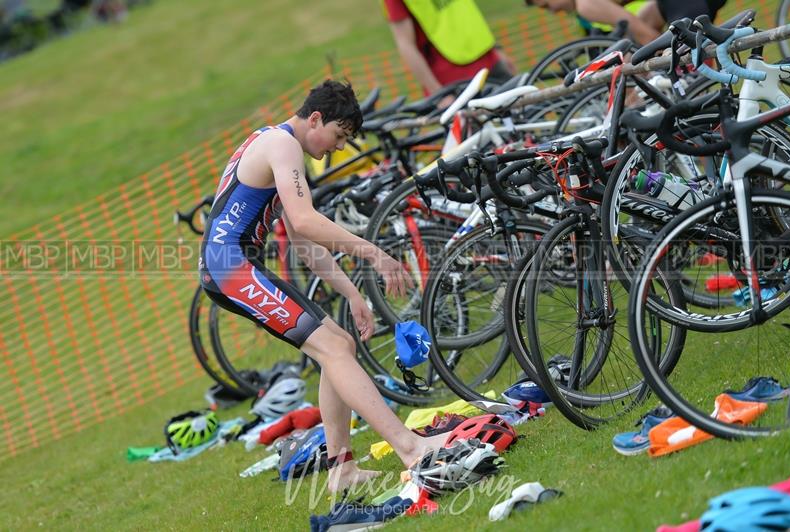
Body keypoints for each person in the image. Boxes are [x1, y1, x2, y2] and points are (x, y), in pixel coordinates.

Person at [199, 80, 451, 492]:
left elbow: (304, 242)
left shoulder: (281, 148)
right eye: (339, 136)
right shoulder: (283, 146)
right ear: (315, 118)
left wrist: (352, 295)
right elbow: (304, 220)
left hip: (234, 266)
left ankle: (342, 470)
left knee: (339, 345)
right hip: (229, 268)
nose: (338, 148)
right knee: (333, 348)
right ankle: (412, 450)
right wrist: (374, 253)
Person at [383, 0, 515, 102]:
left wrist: (497, 51)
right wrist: (438, 94)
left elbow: (466, 12)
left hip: (490, 61)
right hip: (451, 82)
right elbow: (405, 43)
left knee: (525, 126)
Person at [528, 0, 728, 46]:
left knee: (695, 109)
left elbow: (648, 37)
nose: (553, 11)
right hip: (672, 5)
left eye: (546, 5)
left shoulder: (585, 4)